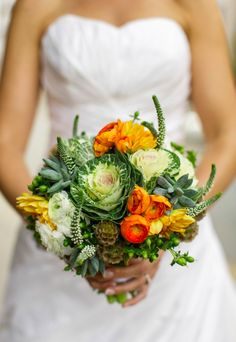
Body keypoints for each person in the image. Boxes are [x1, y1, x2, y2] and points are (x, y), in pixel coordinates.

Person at [0, 0, 236, 341]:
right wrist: (64, 237)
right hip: (56, 256)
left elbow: (227, 134)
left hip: (173, 268)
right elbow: (5, 143)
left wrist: (168, 228)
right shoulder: (35, 5)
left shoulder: (195, 4)